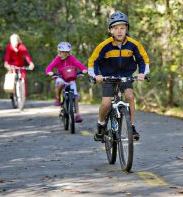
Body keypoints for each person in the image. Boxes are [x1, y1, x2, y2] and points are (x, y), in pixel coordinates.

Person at [88, 11, 150, 141]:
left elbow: (142, 59)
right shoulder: (104, 46)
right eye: (116, 28)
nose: (119, 31)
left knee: (130, 96)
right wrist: (96, 75)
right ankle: (100, 124)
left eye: (122, 27)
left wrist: (142, 73)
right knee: (106, 103)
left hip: (126, 76)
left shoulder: (133, 44)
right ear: (110, 30)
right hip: (108, 77)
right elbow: (93, 61)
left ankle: (131, 126)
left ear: (127, 29)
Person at [46, 42, 88, 123]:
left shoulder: (71, 58)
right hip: (60, 78)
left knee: (75, 96)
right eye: (63, 52)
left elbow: (78, 64)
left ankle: (78, 114)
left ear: (69, 52)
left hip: (71, 78)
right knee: (60, 84)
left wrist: (83, 69)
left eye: (66, 52)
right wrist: (49, 72)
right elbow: (49, 67)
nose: (65, 53)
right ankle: (58, 98)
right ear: (59, 52)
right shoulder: (57, 59)